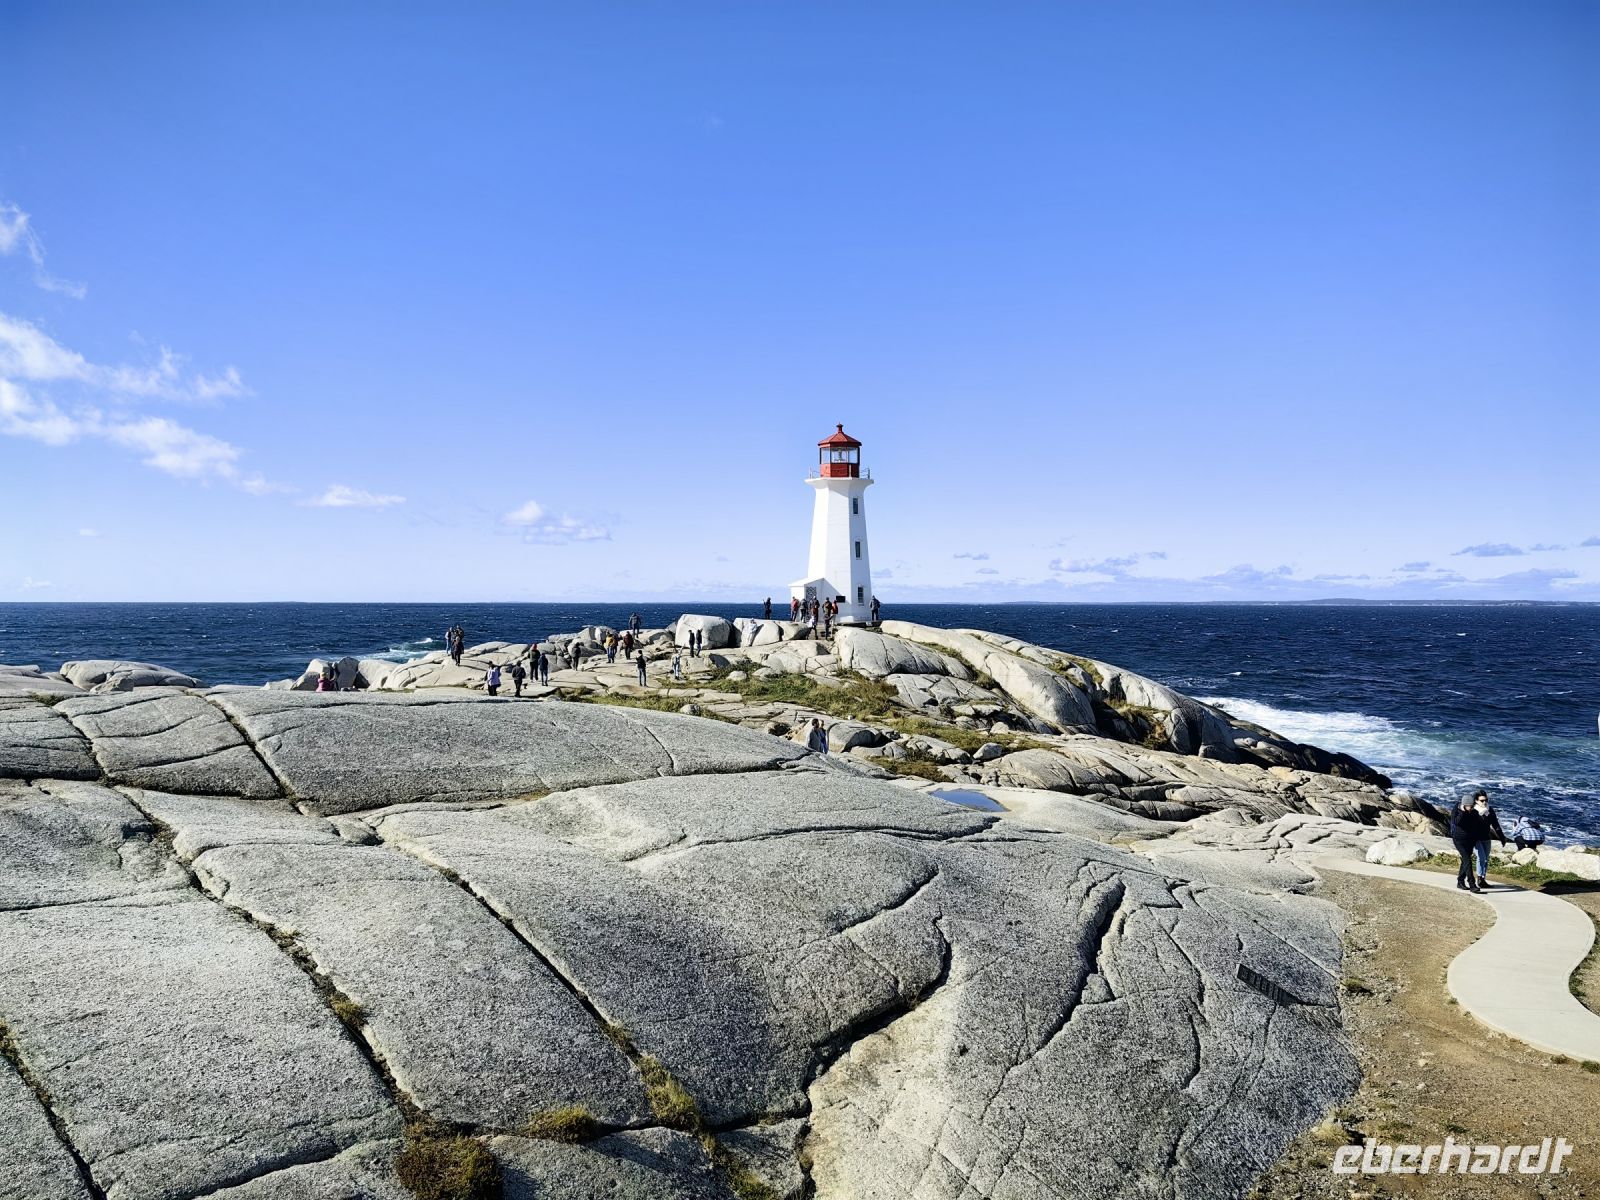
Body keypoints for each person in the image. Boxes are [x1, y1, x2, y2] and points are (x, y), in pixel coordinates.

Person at [1449, 797, 1489, 892]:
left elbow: (1476, 826)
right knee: (1468, 860)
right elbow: (1456, 822)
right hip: (1458, 840)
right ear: (1464, 805)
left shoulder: (1474, 812)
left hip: (1470, 840)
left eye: (1471, 806)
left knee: (1465, 861)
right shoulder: (1456, 811)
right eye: (1468, 806)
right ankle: (1472, 884)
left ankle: (1460, 881)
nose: (1470, 808)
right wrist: (1463, 812)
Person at [1473, 791, 1508, 889]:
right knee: (1481, 858)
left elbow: (1495, 824)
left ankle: (1483, 879)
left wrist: (1502, 837)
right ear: (1476, 801)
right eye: (1482, 800)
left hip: (1486, 838)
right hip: (1476, 839)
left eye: (1486, 800)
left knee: (1486, 860)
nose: (1484, 802)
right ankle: (1479, 878)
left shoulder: (1490, 810)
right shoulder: (1473, 811)